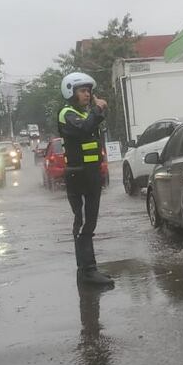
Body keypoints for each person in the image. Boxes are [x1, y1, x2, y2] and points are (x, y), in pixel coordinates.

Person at [58, 72, 114, 286]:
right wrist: (98, 109)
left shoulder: (83, 113)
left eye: (89, 91)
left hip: (91, 174)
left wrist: (97, 111)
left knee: (90, 222)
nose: (87, 94)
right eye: (82, 91)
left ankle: (89, 269)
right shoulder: (67, 113)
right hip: (78, 174)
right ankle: (87, 271)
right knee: (82, 223)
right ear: (70, 92)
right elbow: (84, 128)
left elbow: (91, 124)